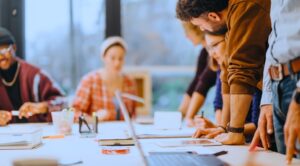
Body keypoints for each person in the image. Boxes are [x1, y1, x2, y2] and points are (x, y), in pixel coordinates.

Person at [176, 0, 271, 145]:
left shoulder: (245, 8)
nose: (202, 30)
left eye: (200, 25)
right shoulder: (231, 25)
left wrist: (234, 131)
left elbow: (242, 68)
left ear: (214, 16)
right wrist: (223, 127)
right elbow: (227, 73)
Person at [249, 1, 300, 164]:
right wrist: (267, 100)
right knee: (285, 161)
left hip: (296, 84)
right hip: (278, 84)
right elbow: (275, 40)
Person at [193, 33, 261, 143]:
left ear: (230, 40)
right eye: (209, 48)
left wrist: (223, 130)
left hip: (254, 142)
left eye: (215, 45)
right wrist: (218, 128)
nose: (212, 54)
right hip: (237, 137)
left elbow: (256, 123)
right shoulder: (222, 68)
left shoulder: (248, 68)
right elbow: (219, 104)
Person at [0, 27, 65, 126]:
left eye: (4, 50)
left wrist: (42, 106)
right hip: (7, 137)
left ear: (14, 48)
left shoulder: (35, 75)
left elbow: (63, 102)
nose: (1, 56)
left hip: (40, 134)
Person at [72, 36, 137, 121]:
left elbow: (133, 115)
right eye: (112, 58)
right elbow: (73, 113)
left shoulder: (130, 82)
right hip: (98, 132)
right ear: (103, 57)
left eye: (120, 58)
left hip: (124, 133)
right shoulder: (90, 81)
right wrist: (93, 119)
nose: (117, 63)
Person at [178, 22, 217, 127]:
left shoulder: (215, 53)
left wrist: (189, 117)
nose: (186, 36)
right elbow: (196, 82)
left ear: (198, 30)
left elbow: (204, 82)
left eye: (187, 32)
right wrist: (180, 115)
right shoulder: (204, 53)